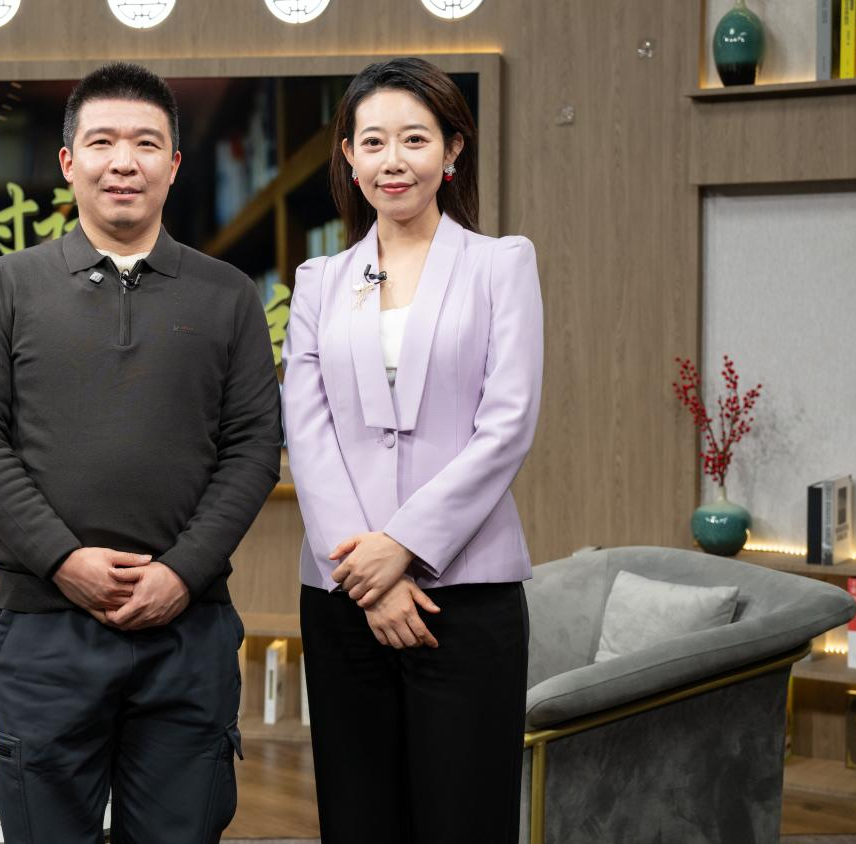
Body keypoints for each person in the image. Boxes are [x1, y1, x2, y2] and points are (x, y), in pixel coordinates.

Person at [0, 62, 282, 844]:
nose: (122, 161)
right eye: (101, 142)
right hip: (43, 626)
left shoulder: (227, 293)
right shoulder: (5, 286)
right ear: (69, 162)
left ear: (173, 164)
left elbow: (253, 447)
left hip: (188, 628)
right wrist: (63, 560)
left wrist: (181, 572)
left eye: (145, 143)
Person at [282, 57, 544, 844]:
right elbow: (307, 429)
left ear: (451, 149)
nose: (391, 161)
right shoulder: (320, 280)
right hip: (343, 593)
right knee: (358, 817)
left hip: (466, 589)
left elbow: (507, 423)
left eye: (414, 139)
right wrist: (364, 572)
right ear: (348, 156)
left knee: (464, 818)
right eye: (372, 142)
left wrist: (403, 546)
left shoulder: (501, 263)